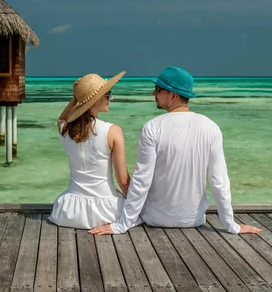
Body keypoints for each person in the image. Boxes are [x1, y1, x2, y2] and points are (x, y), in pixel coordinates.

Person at [89, 66, 262, 235]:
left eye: (158, 89)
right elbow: (219, 181)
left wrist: (121, 225)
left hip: (154, 218)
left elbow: (142, 181)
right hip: (193, 219)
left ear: (172, 95)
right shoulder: (211, 127)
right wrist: (231, 225)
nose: (153, 94)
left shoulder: (152, 127)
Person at [48, 70, 139, 230]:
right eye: (107, 94)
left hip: (68, 211)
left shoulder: (66, 130)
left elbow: (62, 119)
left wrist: (76, 99)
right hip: (106, 212)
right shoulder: (113, 131)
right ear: (95, 99)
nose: (110, 98)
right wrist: (139, 203)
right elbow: (123, 182)